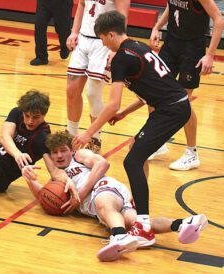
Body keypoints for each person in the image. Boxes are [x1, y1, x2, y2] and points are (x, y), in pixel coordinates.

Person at [72, 10, 198, 246]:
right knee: (135, 151)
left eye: (102, 38)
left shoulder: (121, 57)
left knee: (132, 160)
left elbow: (111, 103)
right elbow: (147, 91)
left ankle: (143, 226)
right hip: (171, 106)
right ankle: (141, 211)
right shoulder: (139, 48)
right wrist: (124, 114)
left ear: (110, 35)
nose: (102, 43)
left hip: (170, 110)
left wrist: (89, 132)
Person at [22, 131, 208, 262]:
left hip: (104, 189)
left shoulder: (80, 155)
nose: (59, 155)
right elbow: (46, 198)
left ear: (71, 149)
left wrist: (82, 192)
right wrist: (29, 178)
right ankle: (183, 224)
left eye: (63, 150)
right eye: (55, 153)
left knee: (104, 205)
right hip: (103, 205)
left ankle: (118, 236)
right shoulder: (58, 178)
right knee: (132, 221)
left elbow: (102, 164)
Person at [148, 0, 224, 170]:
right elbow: (172, 5)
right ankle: (157, 143)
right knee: (154, 93)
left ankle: (192, 153)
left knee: (183, 102)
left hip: (192, 48)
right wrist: (157, 26)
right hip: (171, 43)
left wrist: (210, 55)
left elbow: (219, 20)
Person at [65, 0, 130, 152]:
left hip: (104, 42)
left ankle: (95, 138)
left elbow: (122, 18)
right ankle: (71, 134)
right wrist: (74, 31)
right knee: (71, 91)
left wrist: (116, 47)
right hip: (83, 39)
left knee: (93, 93)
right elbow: (82, 5)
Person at [30, 0, 73, 66]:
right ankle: (41, 57)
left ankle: (65, 47)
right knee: (39, 24)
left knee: (62, 28)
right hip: (44, 2)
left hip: (63, 3)